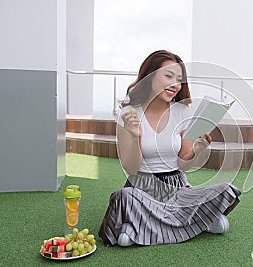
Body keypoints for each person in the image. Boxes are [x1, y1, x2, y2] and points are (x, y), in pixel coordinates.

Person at [98, 50, 241, 247]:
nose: (175, 84)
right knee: (123, 197)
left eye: (179, 79)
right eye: (168, 76)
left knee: (225, 189)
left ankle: (139, 229)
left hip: (177, 189)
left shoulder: (182, 111)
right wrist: (135, 136)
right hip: (141, 188)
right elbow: (131, 169)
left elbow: (182, 163)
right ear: (150, 76)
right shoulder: (128, 113)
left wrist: (198, 150)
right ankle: (198, 222)